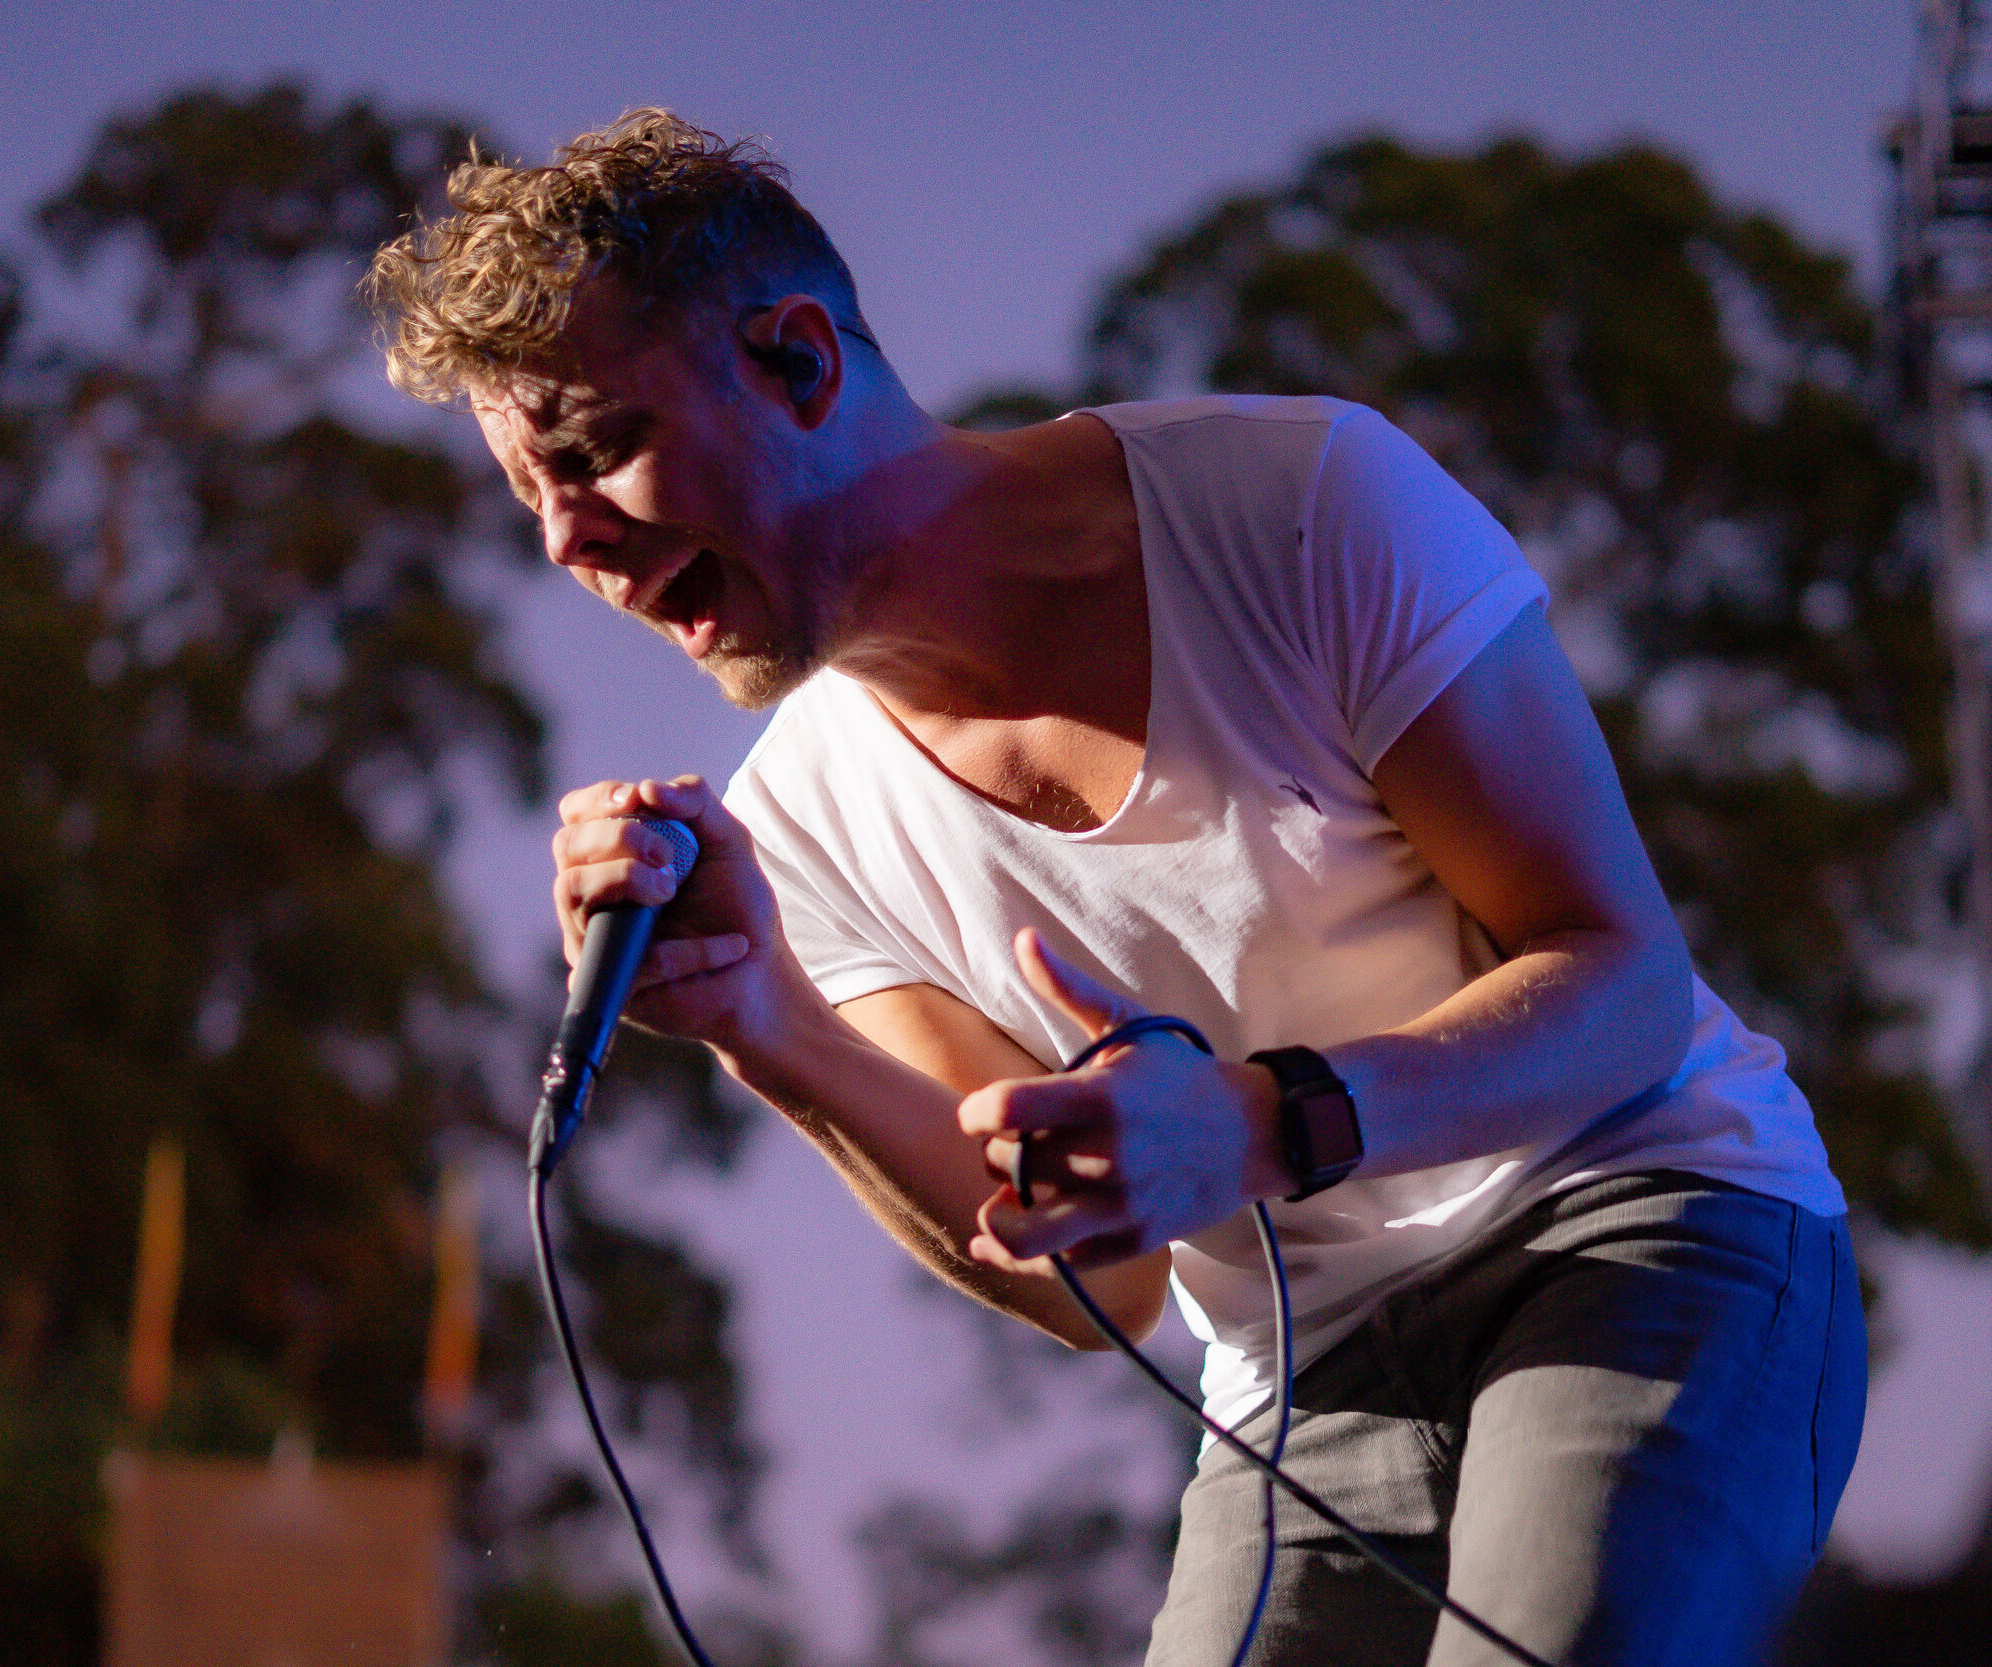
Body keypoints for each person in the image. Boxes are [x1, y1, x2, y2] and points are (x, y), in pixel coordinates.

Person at [366, 110, 1865, 1666]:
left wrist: (1260, 1121)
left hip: (1640, 1224)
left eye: (596, 451)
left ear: (799, 363)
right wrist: (769, 1027)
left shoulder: (1299, 505)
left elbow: (1617, 984)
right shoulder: (799, 827)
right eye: (530, 499)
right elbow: (1110, 1291)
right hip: (1303, 1381)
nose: (566, 544)